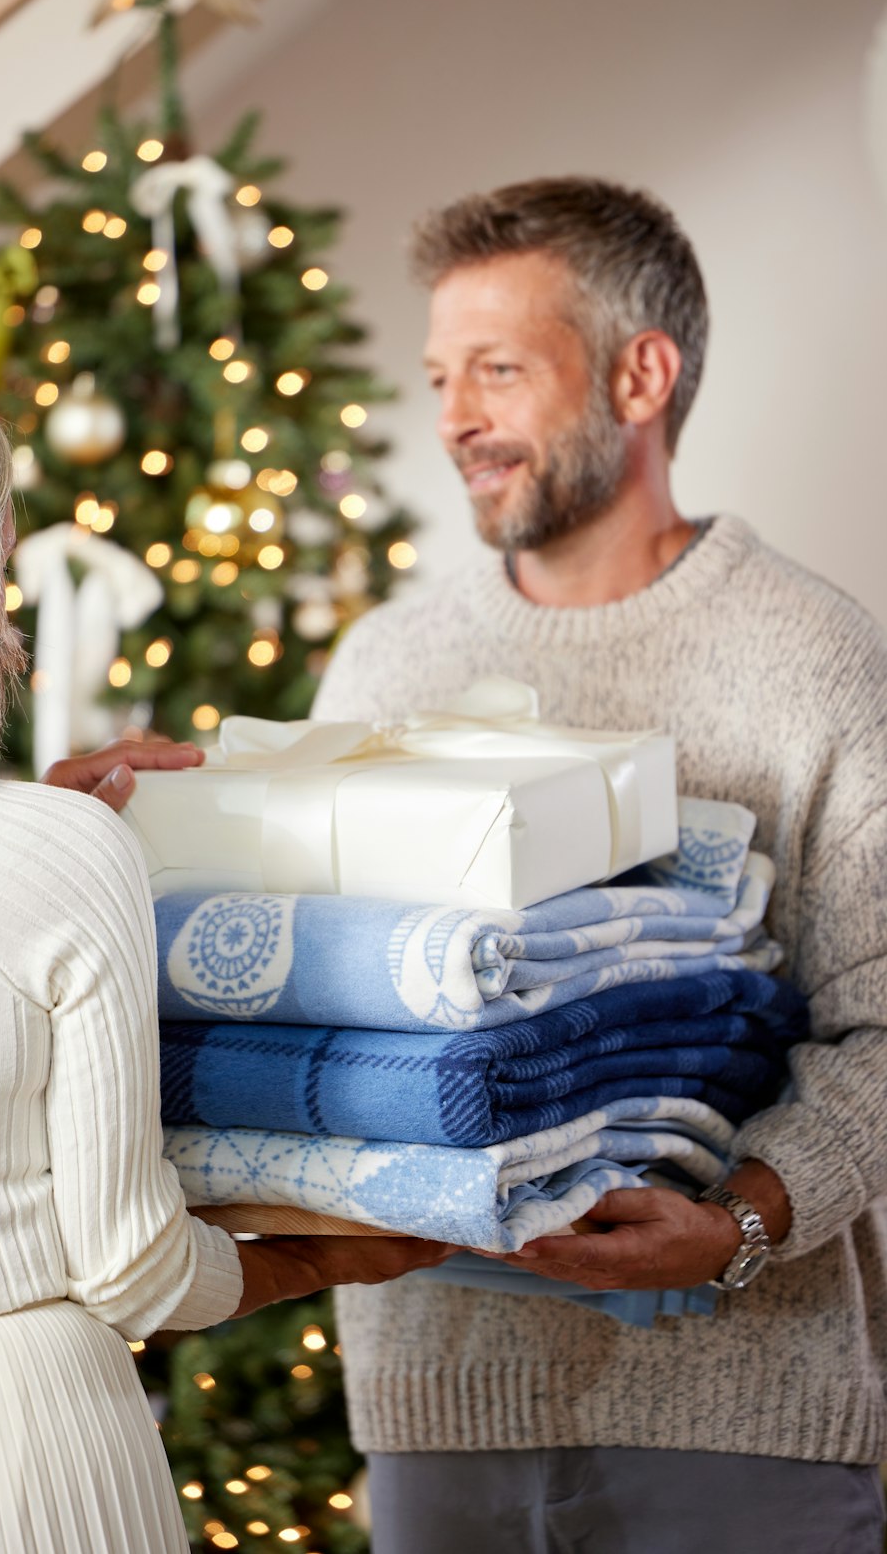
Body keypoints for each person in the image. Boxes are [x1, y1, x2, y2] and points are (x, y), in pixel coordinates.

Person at [308, 178, 887, 1553]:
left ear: (641, 372)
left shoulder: (813, 658)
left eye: (499, 370)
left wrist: (741, 1222)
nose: (453, 416)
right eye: (442, 372)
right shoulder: (385, 668)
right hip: (438, 1414)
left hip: (741, 1424)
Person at [0, 348, 453, 1554]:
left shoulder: (47, 842)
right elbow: (132, 1270)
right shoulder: (57, 852)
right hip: (25, 1458)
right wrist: (329, 1256)